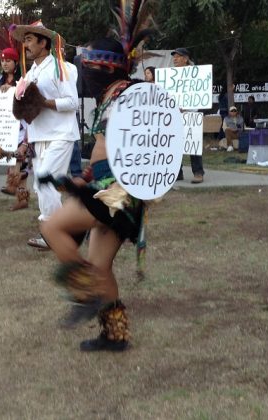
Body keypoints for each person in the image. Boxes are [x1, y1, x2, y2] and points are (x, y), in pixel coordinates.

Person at [39, 17, 158, 350]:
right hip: (117, 191)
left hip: (115, 194)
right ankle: (115, 335)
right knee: (100, 265)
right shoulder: (115, 96)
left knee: (52, 229)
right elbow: (111, 148)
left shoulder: (126, 95)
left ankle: (85, 293)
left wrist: (100, 183)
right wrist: (87, 176)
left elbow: (142, 146)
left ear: (99, 69)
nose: (83, 75)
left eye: (86, 68)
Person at [10, 21, 80, 249]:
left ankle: (55, 232)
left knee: (44, 182)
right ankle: (60, 232)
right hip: (39, 136)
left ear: (44, 43)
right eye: (25, 41)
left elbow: (72, 103)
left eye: (30, 40)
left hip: (62, 134)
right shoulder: (31, 73)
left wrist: (45, 103)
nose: (26, 45)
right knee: (42, 186)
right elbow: (29, 110)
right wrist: (25, 141)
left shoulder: (61, 68)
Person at [0, 47, 31, 211]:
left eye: (8, 60)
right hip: (5, 128)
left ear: (15, 62)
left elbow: (28, 100)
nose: (5, 63)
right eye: (2, 60)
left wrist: (12, 90)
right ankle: (22, 200)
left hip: (23, 127)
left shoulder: (24, 80)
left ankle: (11, 184)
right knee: (19, 163)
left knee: (18, 159)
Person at [172, 48, 205, 184]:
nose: (175, 59)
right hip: (175, 115)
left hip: (191, 114)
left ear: (185, 58)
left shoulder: (195, 73)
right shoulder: (171, 75)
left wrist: (188, 106)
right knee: (175, 145)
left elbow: (199, 92)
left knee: (193, 144)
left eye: (178, 56)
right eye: (174, 57)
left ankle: (198, 172)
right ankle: (177, 173)